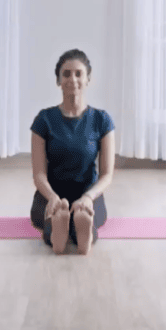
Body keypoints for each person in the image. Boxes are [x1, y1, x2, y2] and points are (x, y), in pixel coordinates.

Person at [29, 49, 116, 255]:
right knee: (52, 216)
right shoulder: (44, 120)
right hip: (51, 194)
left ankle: (80, 231)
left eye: (78, 73)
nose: (72, 79)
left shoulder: (102, 120)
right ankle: (58, 234)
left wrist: (88, 197)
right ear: (58, 80)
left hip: (89, 194)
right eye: (66, 74)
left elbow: (106, 174)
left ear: (88, 79)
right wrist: (52, 197)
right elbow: (39, 173)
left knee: (86, 217)